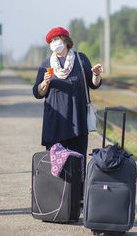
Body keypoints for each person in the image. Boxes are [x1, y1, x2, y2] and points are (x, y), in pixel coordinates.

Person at [33, 27, 103, 171]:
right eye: (51, 41)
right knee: (57, 167)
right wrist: (45, 83)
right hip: (55, 123)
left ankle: (78, 193)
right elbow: (37, 93)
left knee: (78, 165)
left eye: (56, 39)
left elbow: (93, 84)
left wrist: (96, 74)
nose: (54, 43)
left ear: (65, 40)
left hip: (78, 122)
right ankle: (58, 193)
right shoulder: (46, 65)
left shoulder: (80, 59)